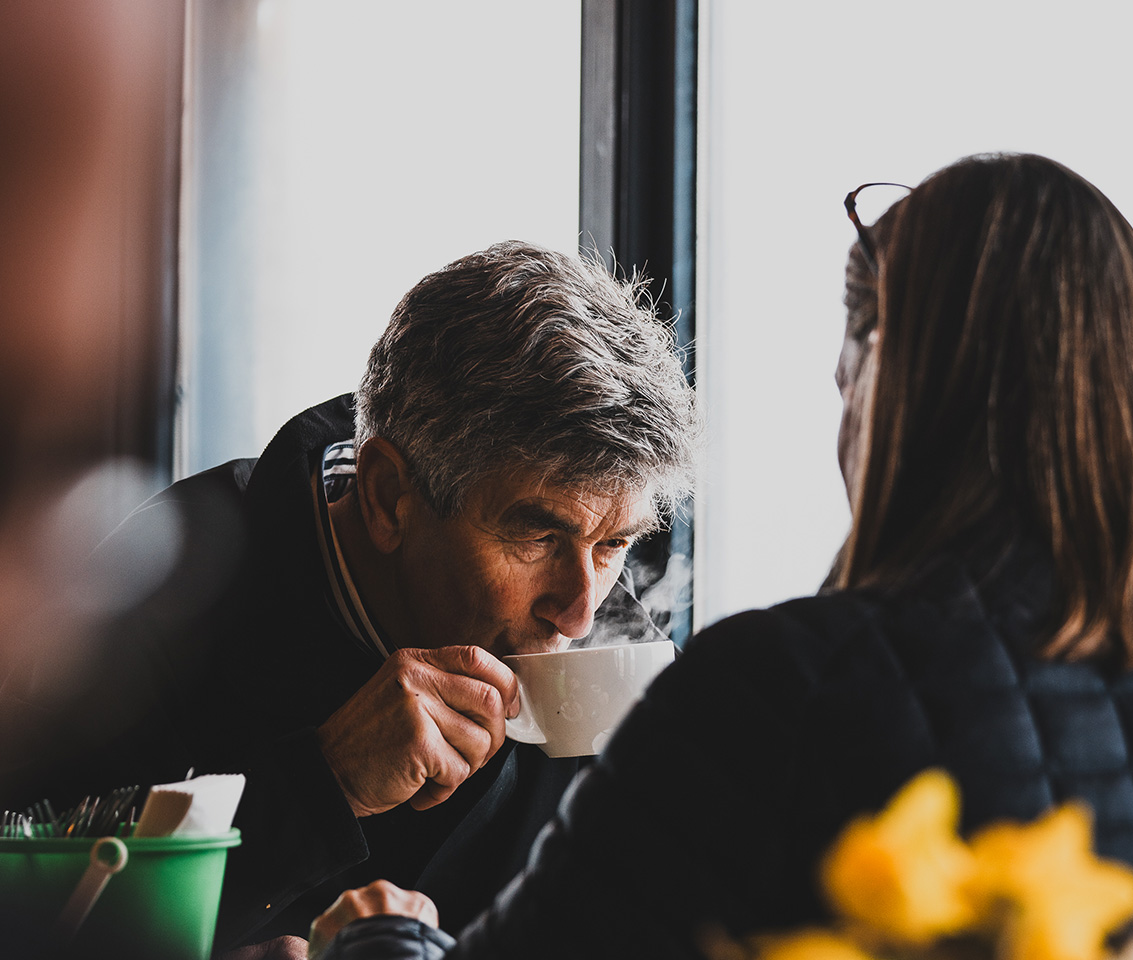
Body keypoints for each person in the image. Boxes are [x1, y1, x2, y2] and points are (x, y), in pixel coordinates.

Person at [309, 153, 1133, 960]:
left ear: (878, 370)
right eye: (537, 531)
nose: (578, 600)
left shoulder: (784, 687)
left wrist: (386, 941)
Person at [1, 240, 699, 955]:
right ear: (390, 496)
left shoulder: (609, 651)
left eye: (614, 545)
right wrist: (322, 785)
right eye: (536, 536)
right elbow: (31, 922)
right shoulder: (150, 598)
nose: (581, 611)